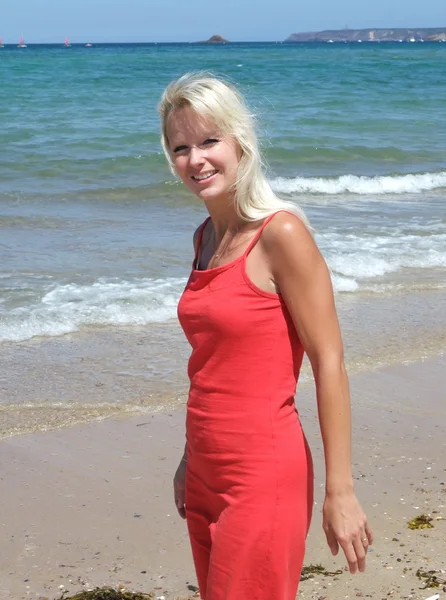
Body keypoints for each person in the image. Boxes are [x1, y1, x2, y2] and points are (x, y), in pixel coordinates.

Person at [158, 72, 373, 600]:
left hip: (261, 476)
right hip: (204, 470)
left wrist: (339, 491)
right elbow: (214, 363)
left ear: (241, 141)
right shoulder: (204, 237)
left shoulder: (281, 234)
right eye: (181, 147)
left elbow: (329, 361)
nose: (196, 159)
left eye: (209, 141)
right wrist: (191, 458)